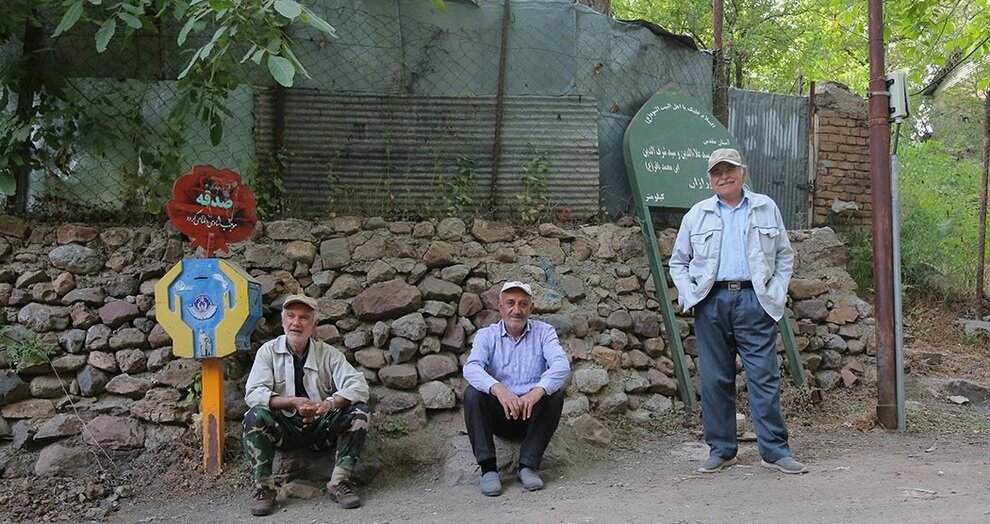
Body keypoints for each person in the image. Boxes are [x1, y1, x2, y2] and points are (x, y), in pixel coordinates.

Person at [669, 148, 807, 475]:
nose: (723, 176)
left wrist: (773, 292)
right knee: (715, 378)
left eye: (729, 170)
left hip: (754, 300)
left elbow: (785, 257)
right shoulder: (697, 214)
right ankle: (722, 449)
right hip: (712, 301)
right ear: (710, 179)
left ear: (742, 172)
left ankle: (774, 451)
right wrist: (691, 294)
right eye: (716, 172)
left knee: (764, 376)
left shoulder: (765, 208)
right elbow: (678, 262)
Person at [242, 294, 371, 516]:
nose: (296, 323)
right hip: (285, 429)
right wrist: (291, 401)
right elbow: (254, 393)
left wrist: (329, 405)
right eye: (290, 316)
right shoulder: (268, 352)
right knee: (254, 415)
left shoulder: (329, 354)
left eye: (304, 318)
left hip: (321, 427)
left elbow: (359, 387)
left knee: (359, 412)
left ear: (314, 325)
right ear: (283, 321)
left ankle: (339, 483)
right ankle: (264, 487)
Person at [462, 281, 571, 496]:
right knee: (473, 394)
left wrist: (538, 390)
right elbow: (471, 367)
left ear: (531, 307)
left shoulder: (544, 332)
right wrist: (499, 389)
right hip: (499, 414)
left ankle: (528, 466)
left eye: (523, 304)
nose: (516, 310)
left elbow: (561, 364)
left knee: (554, 395)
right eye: (510, 303)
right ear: (500, 307)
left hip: (531, 414)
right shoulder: (487, 335)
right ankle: (489, 470)